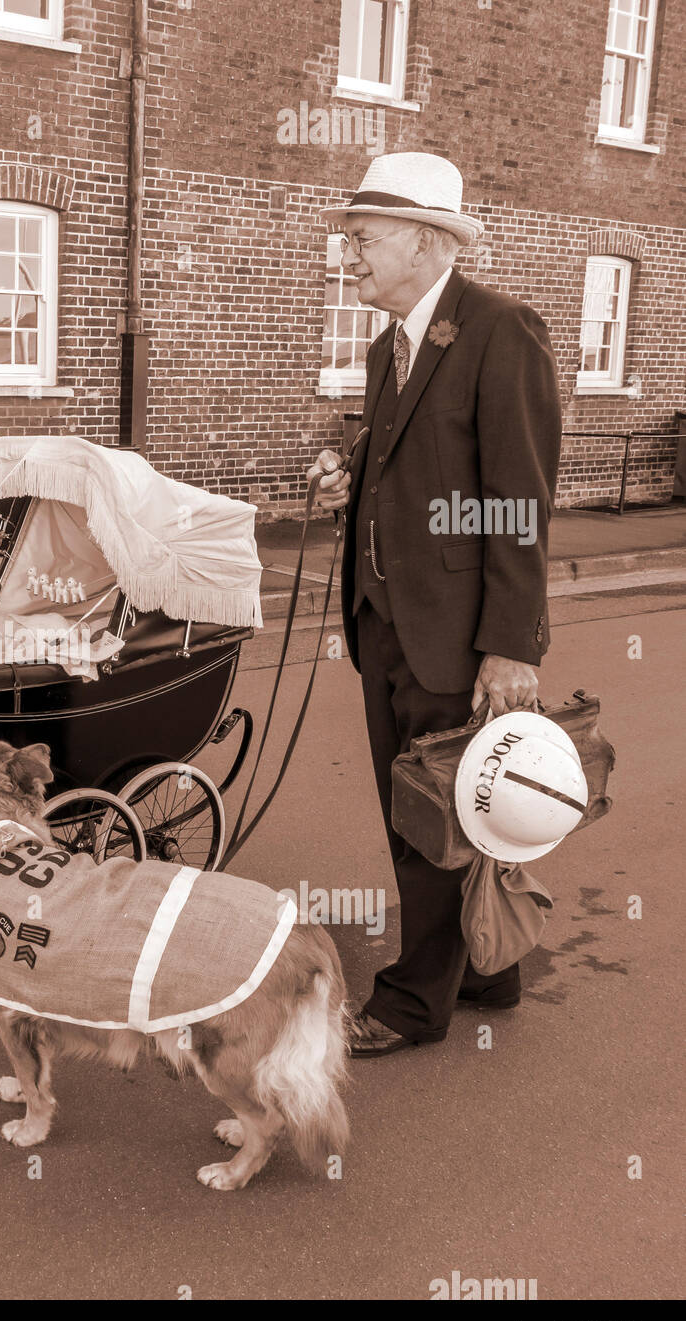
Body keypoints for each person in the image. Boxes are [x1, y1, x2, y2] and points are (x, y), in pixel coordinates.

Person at [308, 153, 561, 1057]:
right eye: (349, 241)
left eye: (363, 240)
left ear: (424, 240)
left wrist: (511, 648)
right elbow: (410, 469)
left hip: (458, 637)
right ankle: (488, 970)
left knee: (431, 814)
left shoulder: (501, 331)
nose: (350, 258)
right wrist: (352, 481)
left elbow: (518, 502)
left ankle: (414, 1003)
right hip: (384, 623)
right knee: (446, 807)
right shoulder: (389, 348)